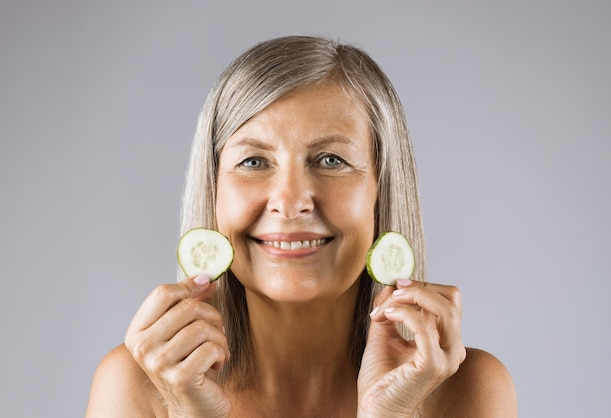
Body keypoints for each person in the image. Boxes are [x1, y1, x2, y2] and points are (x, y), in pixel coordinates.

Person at [86, 35, 517, 417]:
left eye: (331, 160)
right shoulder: (135, 387)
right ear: (213, 190)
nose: (290, 202)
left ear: (381, 191)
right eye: (253, 161)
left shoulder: (468, 389)